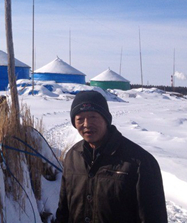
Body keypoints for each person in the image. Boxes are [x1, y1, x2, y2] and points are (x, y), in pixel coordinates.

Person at [55, 90, 168, 223]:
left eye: (93, 117)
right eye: (80, 119)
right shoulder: (72, 156)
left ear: (106, 119)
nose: (86, 124)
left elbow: (154, 217)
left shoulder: (140, 162)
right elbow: (63, 211)